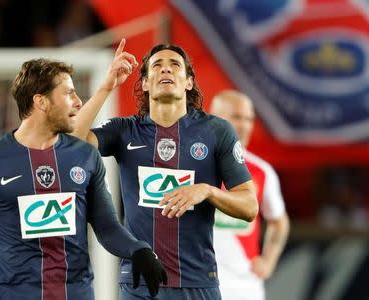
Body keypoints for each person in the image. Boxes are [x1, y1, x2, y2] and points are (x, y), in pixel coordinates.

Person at [0, 45, 167, 300]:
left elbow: (107, 226)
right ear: (41, 101)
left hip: (76, 294)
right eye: (69, 93)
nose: (78, 101)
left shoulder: (85, 156)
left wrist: (138, 250)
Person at [72, 42, 258, 299]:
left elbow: (249, 206)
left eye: (174, 65)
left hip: (198, 282)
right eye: (157, 66)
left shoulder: (216, 131)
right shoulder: (125, 130)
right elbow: (70, 144)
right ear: (146, 83)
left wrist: (207, 191)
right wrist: (106, 87)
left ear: (188, 82)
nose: (165, 70)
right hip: (139, 282)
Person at [209, 90, 290, 300]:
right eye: (237, 117)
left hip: (243, 286)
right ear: (214, 117)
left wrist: (268, 261)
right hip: (197, 281)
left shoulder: (261, 171)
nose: (245, 125)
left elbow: (279, 221)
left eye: (249, 119)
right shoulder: (189, 164)